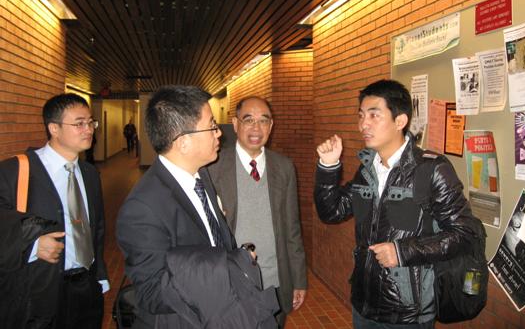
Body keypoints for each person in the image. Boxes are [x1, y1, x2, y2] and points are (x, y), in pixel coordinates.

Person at [314, 79, 481, 328]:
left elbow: (465, 234)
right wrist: (328, 168)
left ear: (400, 121)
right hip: (364, 304)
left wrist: (402, 252)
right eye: (361, 115)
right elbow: (332, 212)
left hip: (408, 314)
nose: (363, 124)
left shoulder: (431, 169)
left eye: (374, 115)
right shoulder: (367, 170)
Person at [116, 86, 278, 328]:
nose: (218, 133)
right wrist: (233, 264)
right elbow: (152, 292)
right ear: (183, 142)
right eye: (211, 125)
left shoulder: (200, 175)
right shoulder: (142, 208)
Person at [0, 93, 109, 329]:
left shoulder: (89, 173)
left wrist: (100, 273)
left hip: (87, 290)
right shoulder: (15, 172)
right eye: (79, 123)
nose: (89, 129)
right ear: (54, 128)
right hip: (41, 293)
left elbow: (97, 228)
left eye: (91, 122)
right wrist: (31, 246)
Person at [208, 96, 307, 326]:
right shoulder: (213, 167)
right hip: (231, 281)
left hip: (274, 282)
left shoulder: (284, 167)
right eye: (248, 120)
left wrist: (298, 280)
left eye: (263, 121)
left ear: (271, 126)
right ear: (235, 124)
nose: (256, 128)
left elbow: (292, 229)